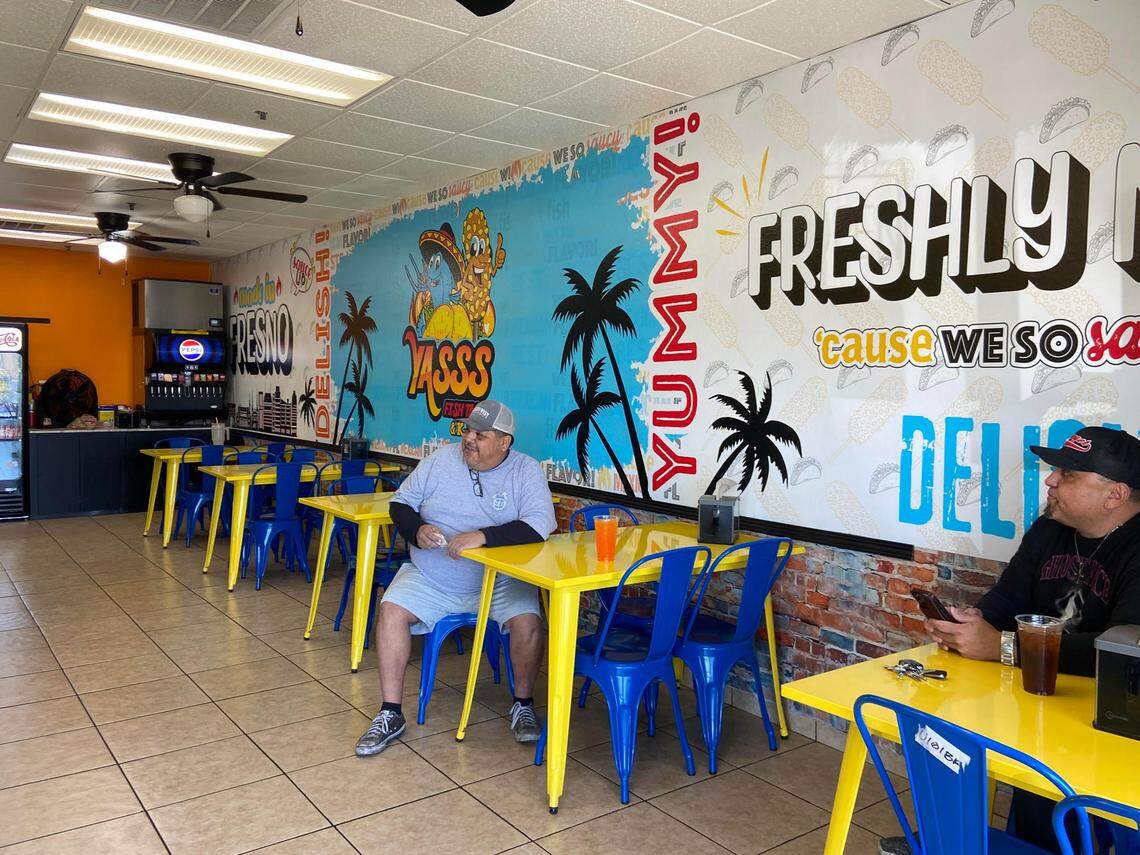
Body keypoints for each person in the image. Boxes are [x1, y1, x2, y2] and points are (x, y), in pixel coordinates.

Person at [882, 426, 1140, 855]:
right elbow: (1009, 596)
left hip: (1103, 729)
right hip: (1035, 705)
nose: (1051, 480)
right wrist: (974, 621)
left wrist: (1001, 647)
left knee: (1067, 807)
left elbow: (1122, 655)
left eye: (1069, 474)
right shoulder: (1049, 528)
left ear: (1114, 495)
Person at [354, 400, 556, 757]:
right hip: (433, 576)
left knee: (529, 622)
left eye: (481, 434)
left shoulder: (526, 471)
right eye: (467, 430)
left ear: (505, 442)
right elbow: (400, 504)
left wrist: (483, 535)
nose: (469, 440)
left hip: (500, 581)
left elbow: (539, 525)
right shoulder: (440, 461)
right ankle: (390, 713)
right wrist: (416, 531)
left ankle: (522, 704)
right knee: (390, 612)